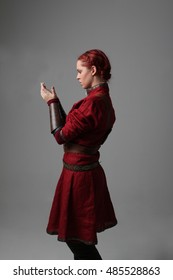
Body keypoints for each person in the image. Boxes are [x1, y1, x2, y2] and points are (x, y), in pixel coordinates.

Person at [40, 49, 117, 260]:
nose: (76, 76)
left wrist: (51, 103)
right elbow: (73, 129)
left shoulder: (93, 103)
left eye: (79, 71)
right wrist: (56, 101)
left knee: (78, 240)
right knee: (78, 239)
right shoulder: (102, 100)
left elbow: (60, 135)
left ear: (93, 70)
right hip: (85, 172)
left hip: (80, 178)